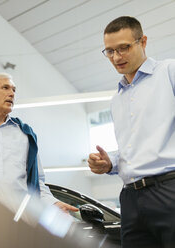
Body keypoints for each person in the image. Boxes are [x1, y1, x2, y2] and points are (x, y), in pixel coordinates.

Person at [88, 16, 175, 248]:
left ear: (143, 41)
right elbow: (133, 147)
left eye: (123, 48)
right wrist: (110, 163)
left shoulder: (169, 72)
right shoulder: (117, 100)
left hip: (169, 189)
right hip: (130, 198)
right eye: (109, 51)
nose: (116, 57)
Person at [0, 72, 78, 213]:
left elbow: (37, 182)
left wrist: (53, 203)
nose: (12, 94)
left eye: (14, 90)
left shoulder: (26, 134)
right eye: (5, 88)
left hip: (20, 216)